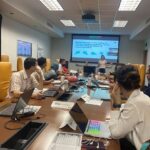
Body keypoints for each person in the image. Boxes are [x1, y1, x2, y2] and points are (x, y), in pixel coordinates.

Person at [109, 65, 150, 150]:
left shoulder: (135, 103)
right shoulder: (141, 97)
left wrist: (116, 105)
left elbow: (115, 133)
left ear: (118, 84)